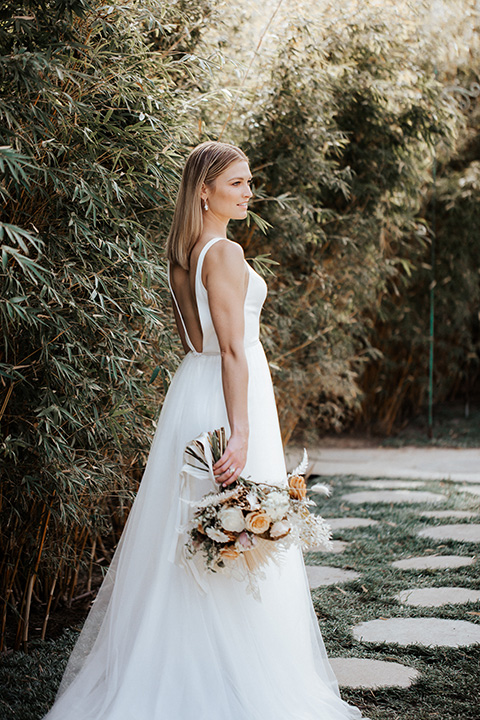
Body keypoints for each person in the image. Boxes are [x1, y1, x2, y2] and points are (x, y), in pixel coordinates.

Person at [42, 141, 363, 720]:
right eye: (238, 183)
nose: (249, 192)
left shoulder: (185, 252)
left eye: (248, 182)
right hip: (227, 396)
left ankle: (185, 662)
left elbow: (198, 344)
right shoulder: (227, 254)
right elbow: (234, 350)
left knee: (197, 533)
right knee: (233, 531)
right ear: (205, 190)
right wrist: (239, 433)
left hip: (194, 388)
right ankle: (231, 677)